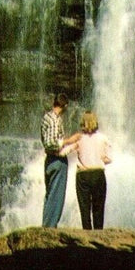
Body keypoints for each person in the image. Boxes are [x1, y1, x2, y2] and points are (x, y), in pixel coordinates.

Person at [60, 110, 113, 230]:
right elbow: (109, 158)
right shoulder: (103, 138)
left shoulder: (79, 138)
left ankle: (87, 234)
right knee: (98, 207)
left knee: (84, 208)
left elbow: (64, 152)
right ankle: (99, 234)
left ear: (82, 122)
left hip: (83, 175)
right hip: (98, 173)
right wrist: (98, 159)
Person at [40, 93, 81, 228]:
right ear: (65, 106)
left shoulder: (46, 117)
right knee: (56, 197)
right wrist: (70, 140)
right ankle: (50, 227)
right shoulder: (55, 120)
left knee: (50, 194)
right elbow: (51, 142)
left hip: (50, 160)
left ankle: (47, 225)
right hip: (57, 161)